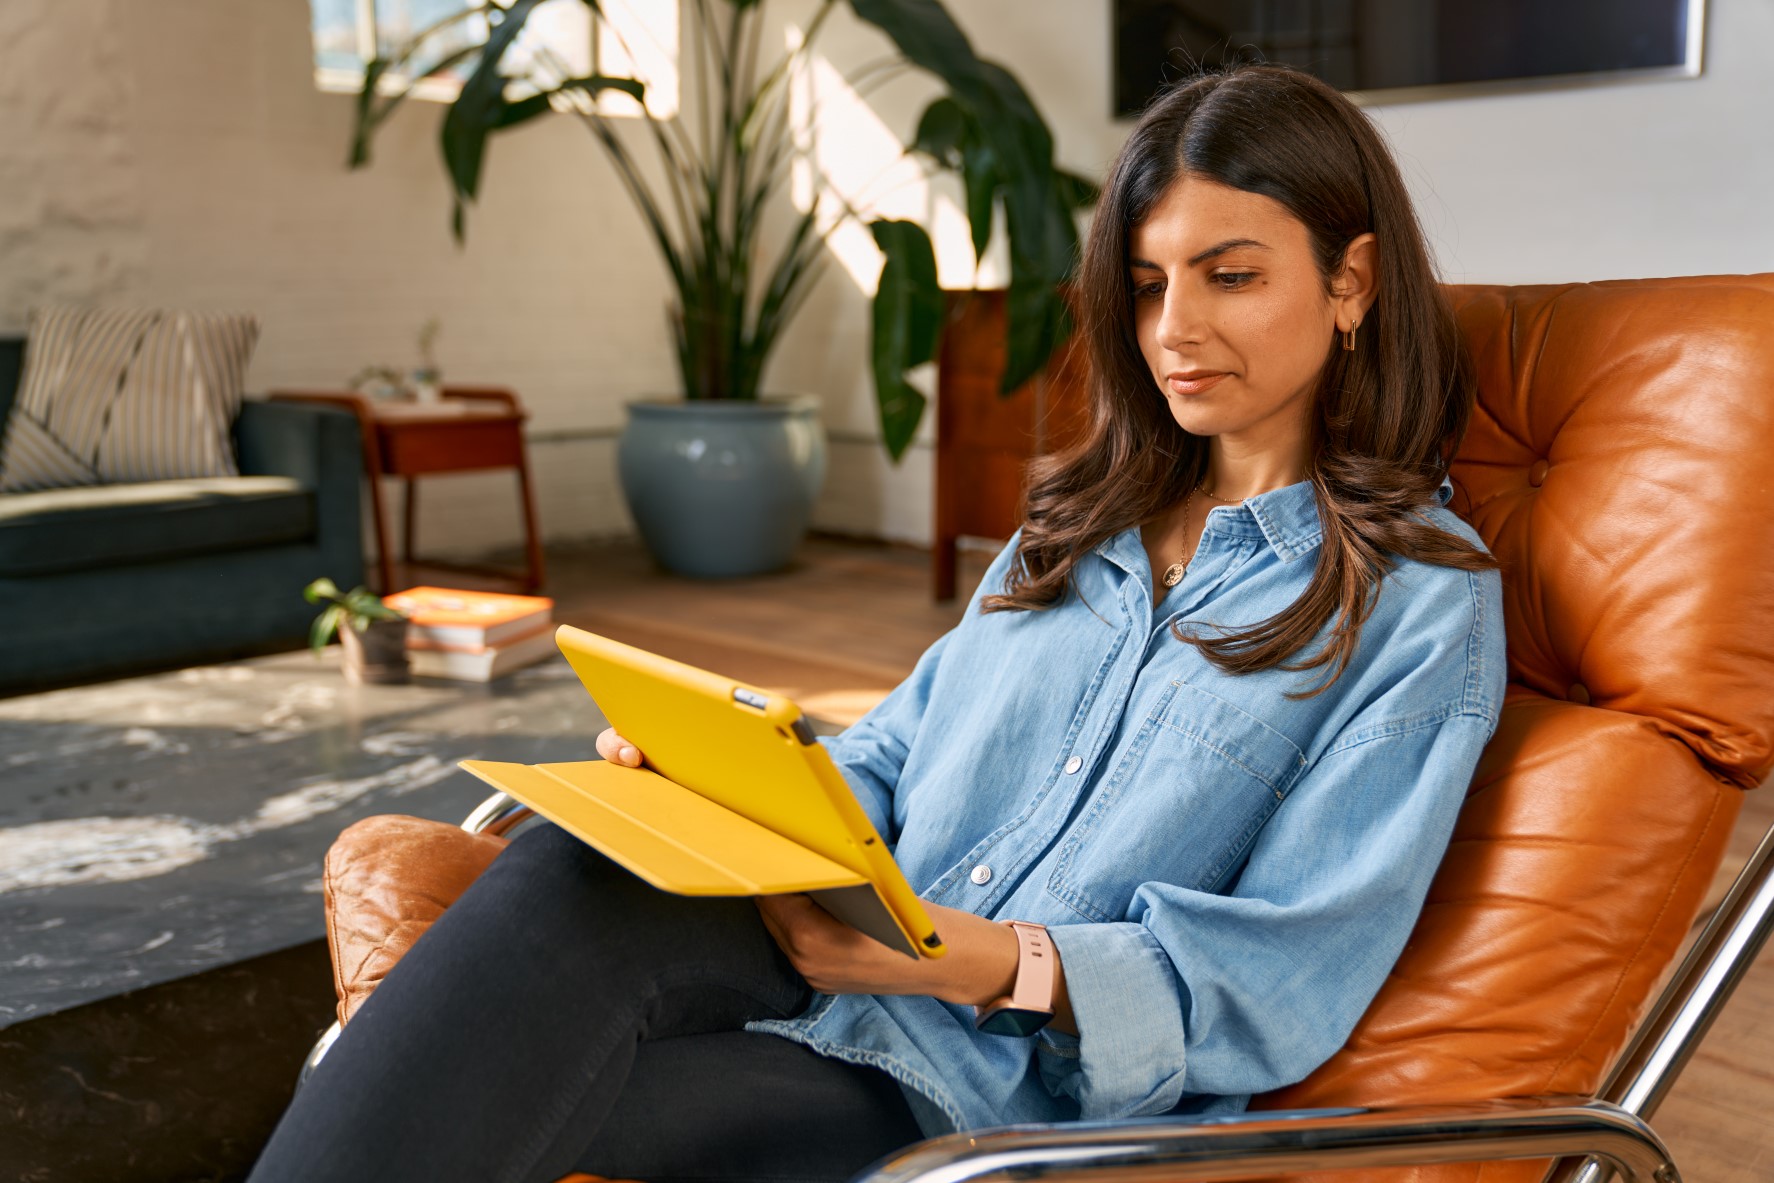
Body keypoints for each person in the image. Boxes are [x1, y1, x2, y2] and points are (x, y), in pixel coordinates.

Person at [247, 61, 1505, 1183]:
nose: (1173, 330)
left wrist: (977, 962)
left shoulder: (1418, 607)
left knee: (459, 1083)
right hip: (826, 941)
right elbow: (895, 755)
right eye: (1145, 284)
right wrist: (723, 791)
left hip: (975, 1081)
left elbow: (1280, 977)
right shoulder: (1075, 528)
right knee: (575, 867)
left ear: (1351, 281)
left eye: (1230, 275)